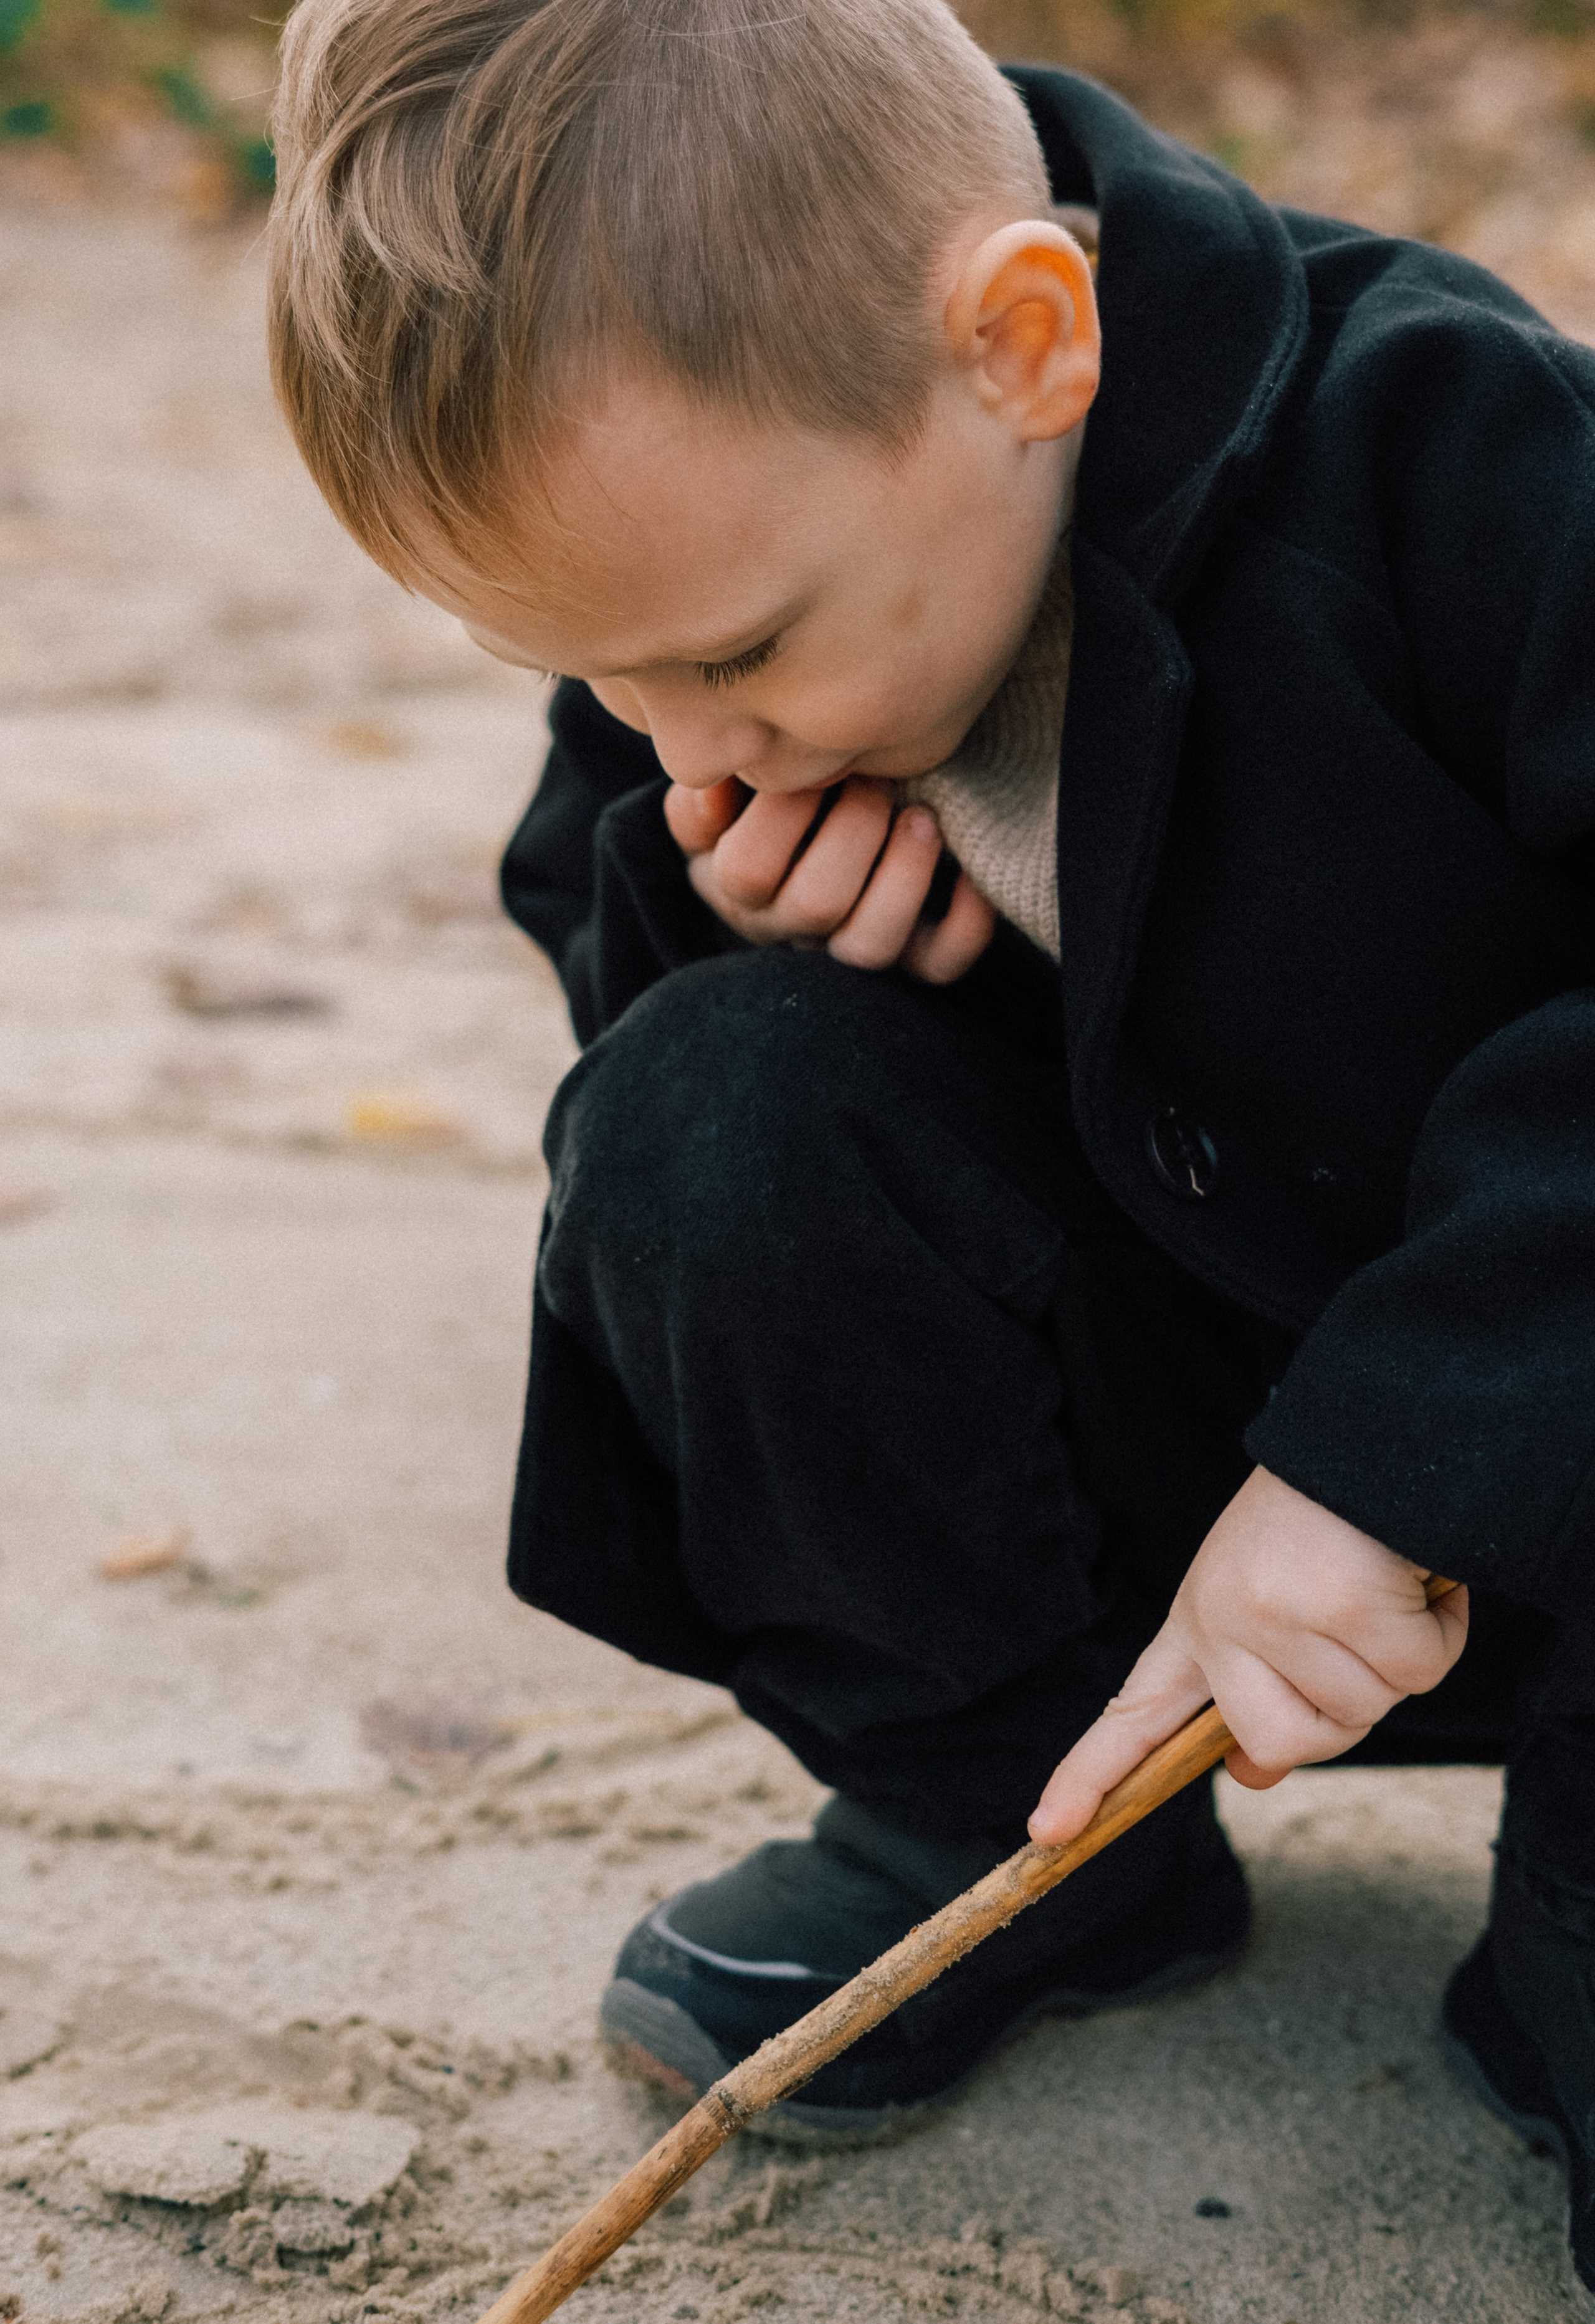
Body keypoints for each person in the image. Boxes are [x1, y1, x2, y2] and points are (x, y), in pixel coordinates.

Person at [265, 0, 1595, 2297]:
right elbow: (624, 1018)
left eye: (737, 656)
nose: (681, 739)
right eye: (594, 680)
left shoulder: (1456, 451)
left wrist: (1406, 1453)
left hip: (1533, 1455)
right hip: (1151, 1537)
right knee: (710, 1101)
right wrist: (711, 912)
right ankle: (1012, 1815)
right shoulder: (712, 639)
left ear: (1026, 347)